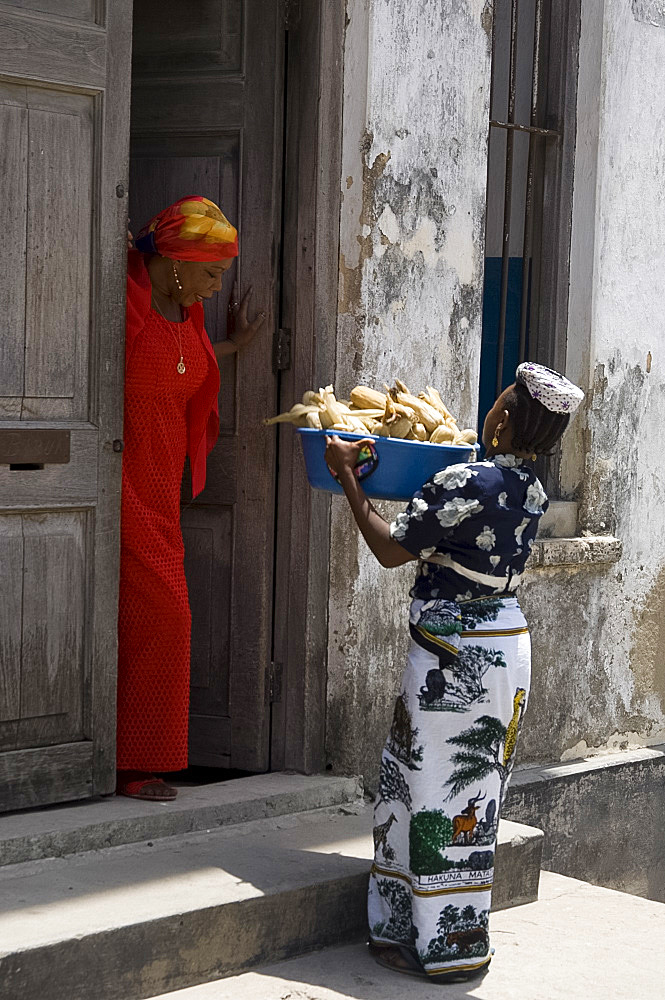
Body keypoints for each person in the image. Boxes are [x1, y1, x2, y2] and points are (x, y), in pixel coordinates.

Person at [324, 363, 584, 985]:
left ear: (504, 418)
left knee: (426, 786)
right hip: (507, 651)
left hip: (455, 653)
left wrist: (347, 480)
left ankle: (431, 945)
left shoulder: (465, 480)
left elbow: (391, 549)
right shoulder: (531, 490)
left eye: (497, 406)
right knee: (471, 794)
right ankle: (442, 937)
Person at [116, 196, 266, 801]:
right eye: (210, 273)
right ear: (175, 261)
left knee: (142, 617)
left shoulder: (188, 314)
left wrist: (235, 347)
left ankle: (130, 755)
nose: (214, 287)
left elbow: (184, 364)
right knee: (167, 614)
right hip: (119, 481)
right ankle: (132, 764)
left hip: (162, 489)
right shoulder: (124, 303)